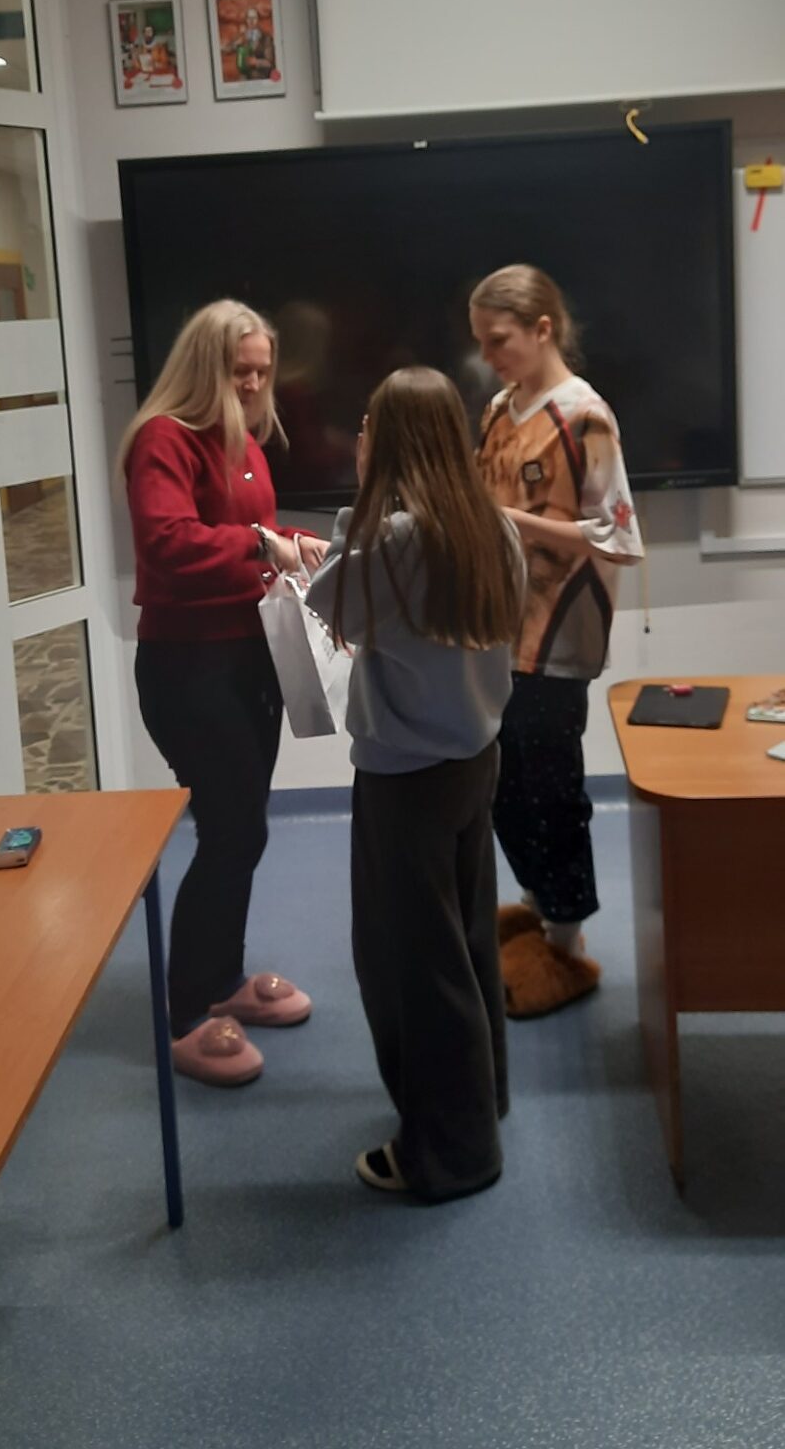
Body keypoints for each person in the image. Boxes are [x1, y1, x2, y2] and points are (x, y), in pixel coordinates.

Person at [307, 368, 524, 1202]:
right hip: (472, 763)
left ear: (387, 441)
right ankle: (479, 1101)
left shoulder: (395, 541)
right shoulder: (490, 526)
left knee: (411, 967)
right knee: (464, 942)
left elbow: (331, 604)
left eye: (369, 428)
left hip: (404, 782)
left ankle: (450, 1154)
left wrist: (355, 506)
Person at [120, 299, 327, 1087]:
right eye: (238, 371)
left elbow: (252, 536)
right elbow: (168, 542)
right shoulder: (162, 440)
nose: (251, 384)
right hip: (189, 667)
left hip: (248, 659)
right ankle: (184, 1016)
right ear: (202, 366)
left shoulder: (242, 440)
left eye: (261, 371)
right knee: (229, 832)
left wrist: (291, 546)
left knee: (243, 830)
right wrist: (260, 543)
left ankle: (221, 981)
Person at [469, 265, 644, 1019]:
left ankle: (566, 941)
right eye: (480, 342)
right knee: (500, 786)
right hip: (493, 631)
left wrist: (515, 524)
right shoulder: (498, 410)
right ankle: (538, 909)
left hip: (556, 636)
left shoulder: (584, 417)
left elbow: (619, 536)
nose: (487, 357)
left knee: (549, 789)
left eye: (498, 340)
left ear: (543, 329)